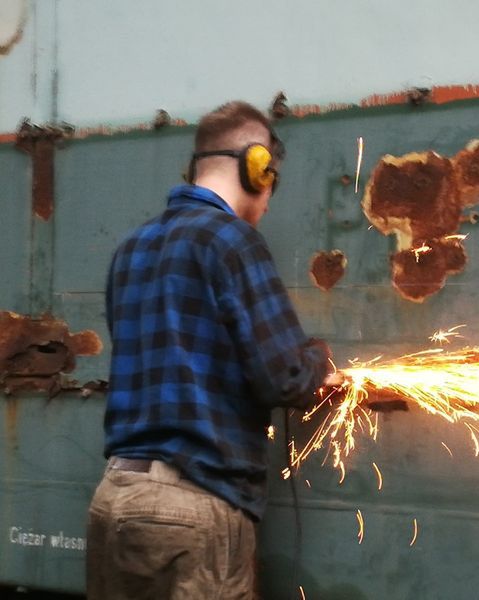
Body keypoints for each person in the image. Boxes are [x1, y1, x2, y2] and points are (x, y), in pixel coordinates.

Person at [86, 101, 333, 599]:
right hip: (193, 507)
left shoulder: (130, 249)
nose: (268, 198)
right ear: (256, 168)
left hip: (115, 499)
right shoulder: (233, 241)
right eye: (273, 181)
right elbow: (284, 376)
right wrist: (321, 365)